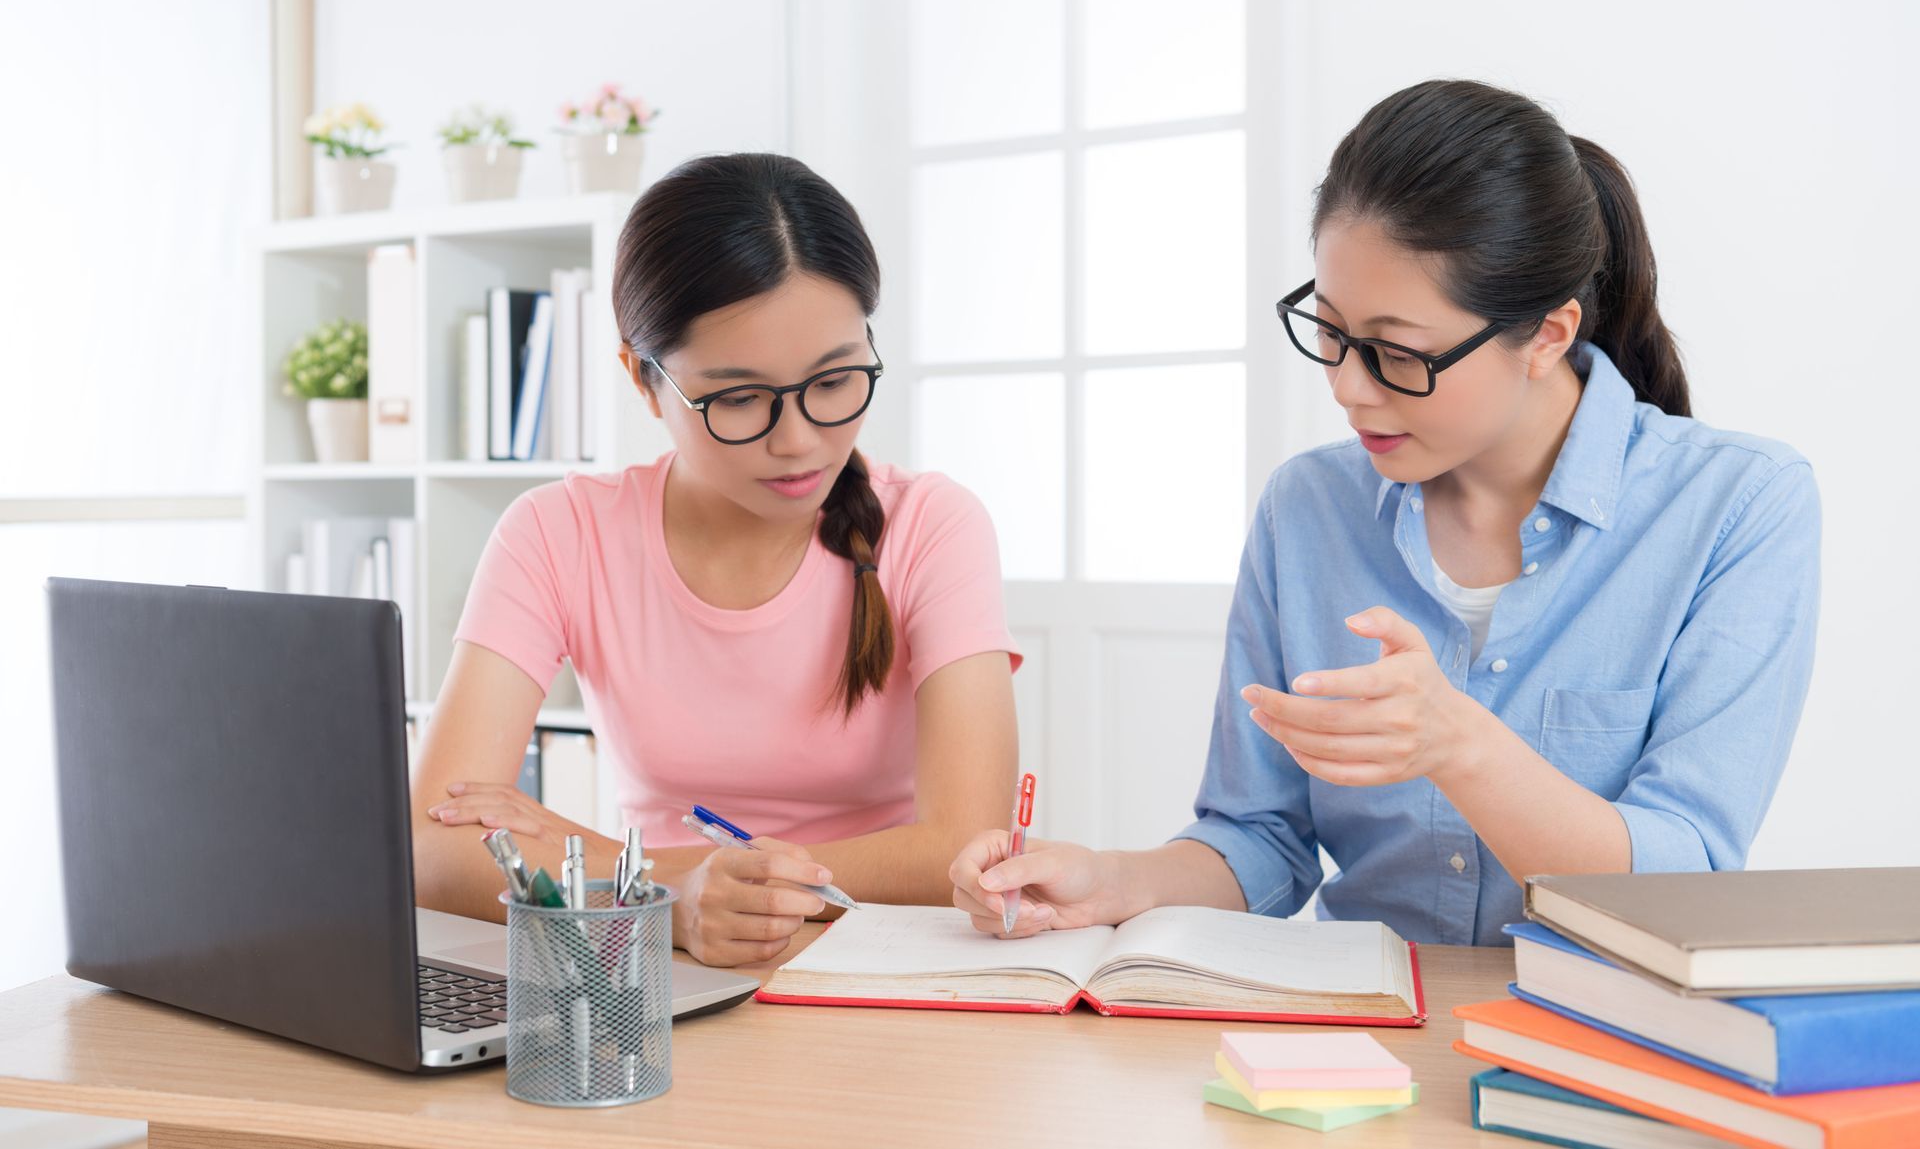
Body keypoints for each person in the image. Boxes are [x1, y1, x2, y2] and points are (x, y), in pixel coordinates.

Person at [949, 79, 1820, 946]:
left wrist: (1460, 746)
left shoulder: (1738, 505)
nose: (1346, 386)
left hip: (1599, 1038)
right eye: (1329, 332)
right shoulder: (1308, 509)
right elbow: (1260, 838)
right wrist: (1108, 880)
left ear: (1549, 334)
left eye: (1398, 353)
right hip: (1362, 1033)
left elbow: (1686, 879)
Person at [413, 153, 1021, 966]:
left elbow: (967, 847)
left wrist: (612, 870)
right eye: (738, 399)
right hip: (655, 978)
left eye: (836, 380)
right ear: (643, 377)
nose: (800, 441)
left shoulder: (934, 525)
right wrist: (670, 908)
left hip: (882, 970)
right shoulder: (556, 533)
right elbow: (430, 849)